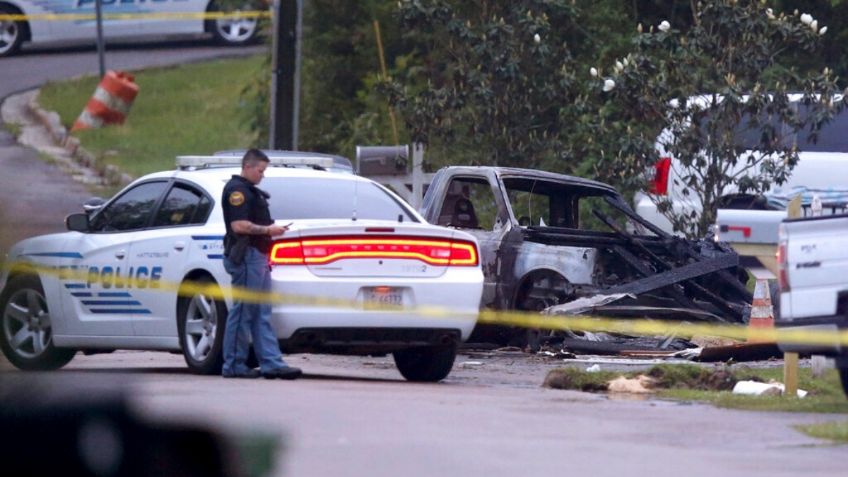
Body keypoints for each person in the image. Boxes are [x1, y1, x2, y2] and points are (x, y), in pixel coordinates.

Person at [221, 149, 302, 379]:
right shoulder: (237, 192)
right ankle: (234, 365)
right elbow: (238, 226)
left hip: (258, 256)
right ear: (247, 167)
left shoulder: (250, 191)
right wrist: (269, 230)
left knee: (261, 312)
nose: (262, 175)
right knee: (244, 311)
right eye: (260, 170)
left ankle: (271, 363)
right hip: (247, 256)